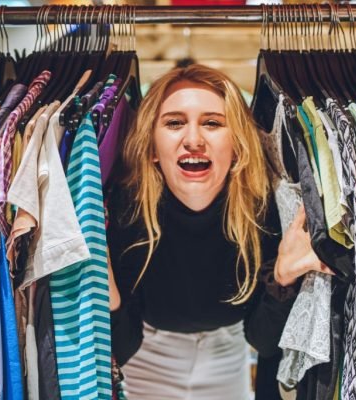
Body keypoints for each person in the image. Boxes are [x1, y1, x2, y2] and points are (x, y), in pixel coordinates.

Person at [107, 64, 333, 400]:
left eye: (212, 123)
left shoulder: (263, 209)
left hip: (227, 349)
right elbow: (122, 348)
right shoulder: (126, 209)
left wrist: (282, 281)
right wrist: (106, 284)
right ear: (153, 148)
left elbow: (262, 341)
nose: (194, 140)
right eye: (174, 123)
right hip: (148, 353)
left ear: (238, 145)